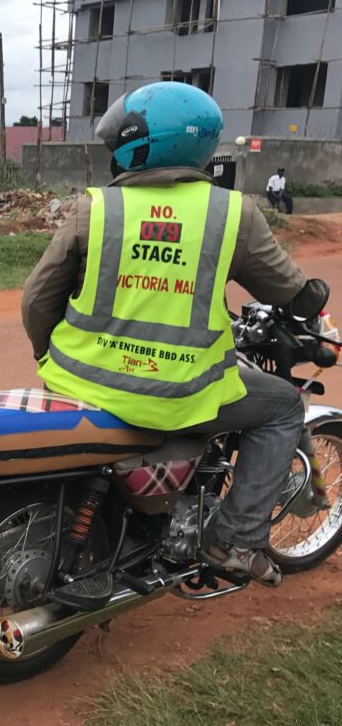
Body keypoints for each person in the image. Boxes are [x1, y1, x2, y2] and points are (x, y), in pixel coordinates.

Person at [21, 82, 328, 587]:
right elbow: (290, 289)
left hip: (78, 382)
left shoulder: (95, 208)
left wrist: (48, 357)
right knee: (282, 407)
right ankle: (233, 538)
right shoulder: (231, 213)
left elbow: (37, 301)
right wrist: (311, 296)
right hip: (175, 393)